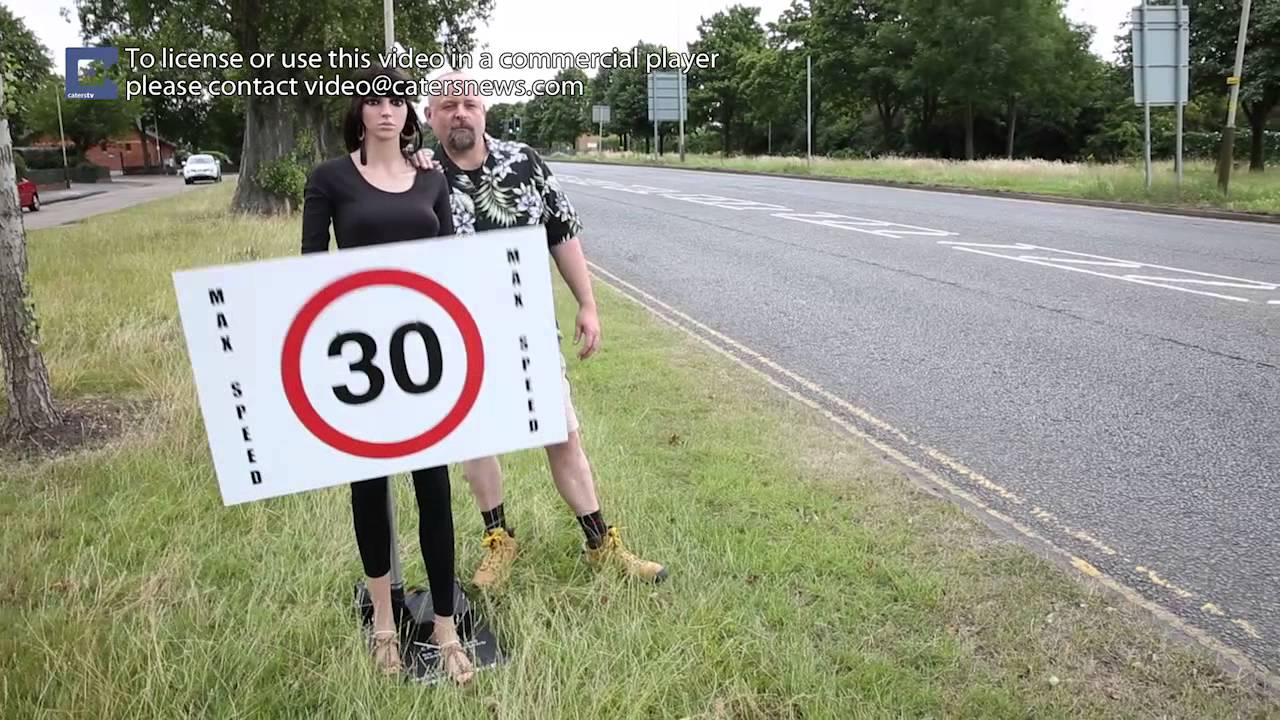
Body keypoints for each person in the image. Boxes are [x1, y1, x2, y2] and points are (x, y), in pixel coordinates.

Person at [415, 71, 668, 590]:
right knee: (476, 440)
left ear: (484, 109)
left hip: (528, 328)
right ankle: (498, 539)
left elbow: (562, 233)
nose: (460, 112)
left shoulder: (523, 162)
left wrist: (588, 303)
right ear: (430, 117)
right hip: (455, 336)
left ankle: (601, 544)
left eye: (469, 103)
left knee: (562, 434)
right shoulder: (418, 174)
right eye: (447, 105)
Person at [300, 64, 474, 684]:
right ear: (359, 110)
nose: (386, 109)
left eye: (398, 99)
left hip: (425, 361)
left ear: (408, 112)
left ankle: (447, 627)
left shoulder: (431, 181)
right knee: (369, 489)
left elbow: (454, 264)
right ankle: (382, 623)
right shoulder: (329, 179)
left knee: (435, 490)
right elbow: (309, 273)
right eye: (374, 99)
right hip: (360, 361)